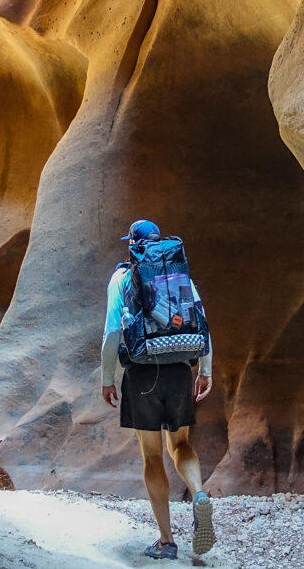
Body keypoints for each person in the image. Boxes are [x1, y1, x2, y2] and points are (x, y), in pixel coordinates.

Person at [101, 219, 216, 560]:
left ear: (132, 244)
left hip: (140, 374)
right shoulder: (179, 273)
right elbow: (201, 320)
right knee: (180, 445)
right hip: (180, 370)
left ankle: (166, 541)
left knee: (152, 456)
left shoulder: (122, 276)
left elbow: (111, 331)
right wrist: (205, 370)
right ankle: (198, 494)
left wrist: (107, 378)